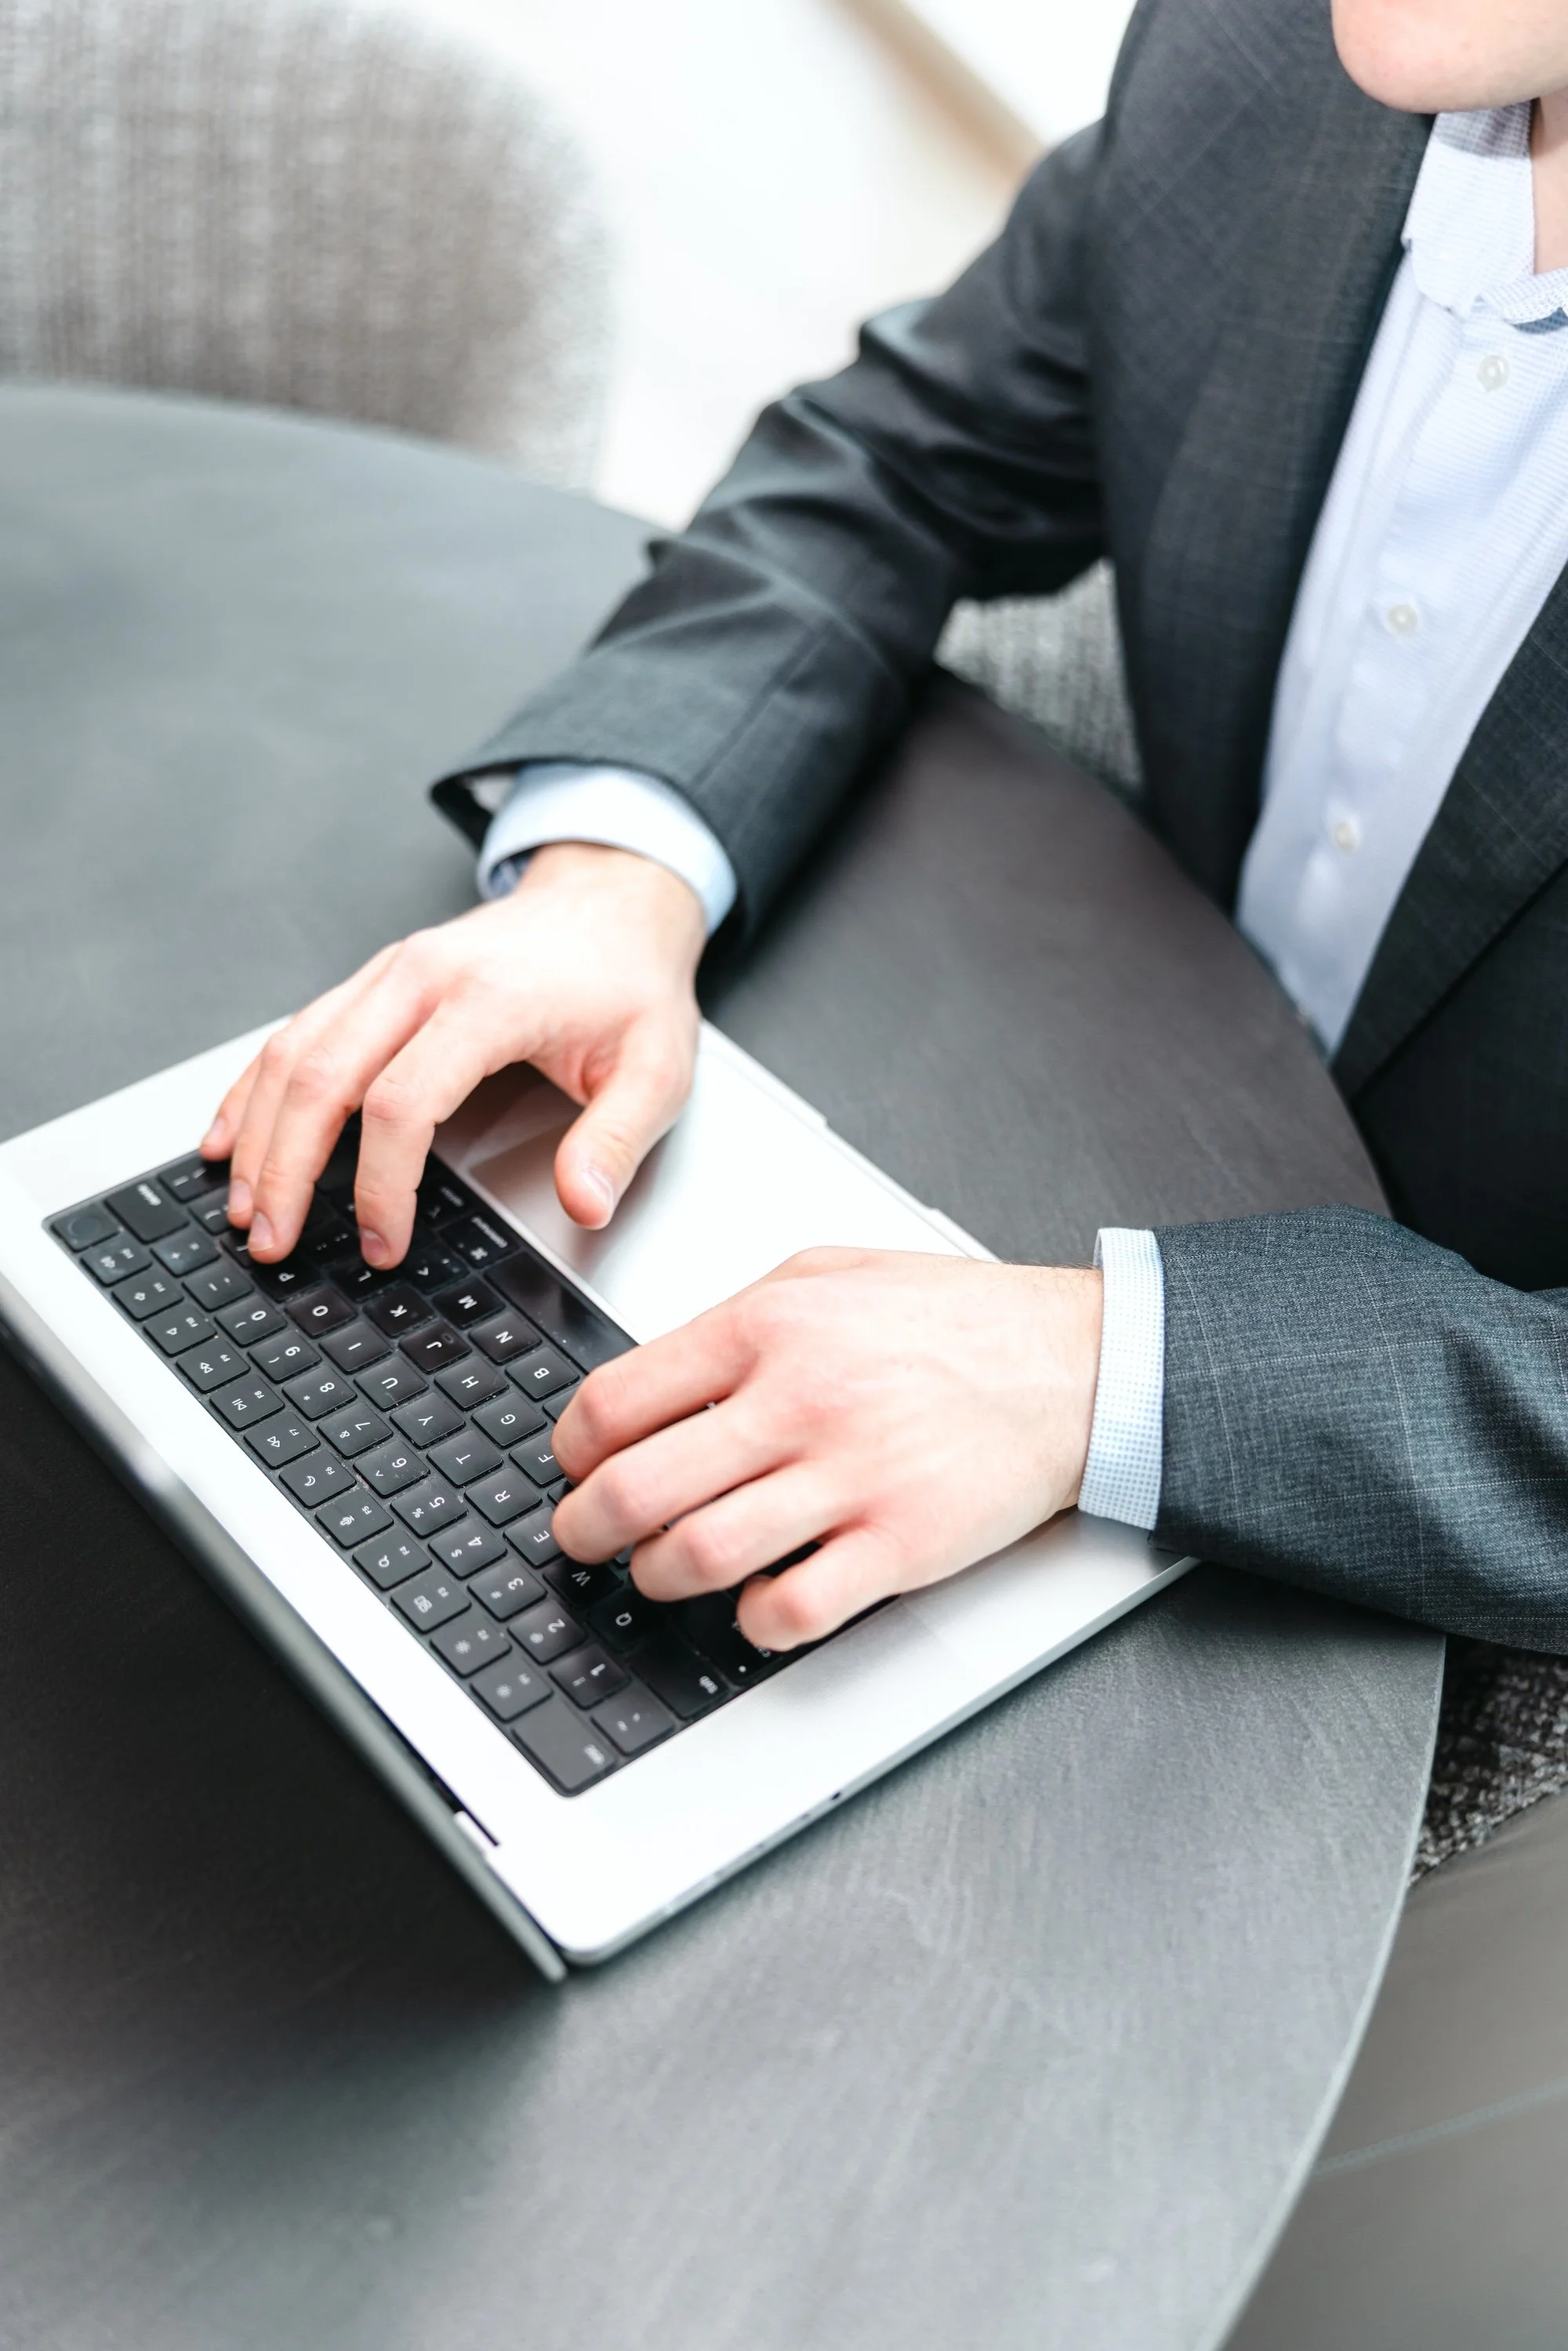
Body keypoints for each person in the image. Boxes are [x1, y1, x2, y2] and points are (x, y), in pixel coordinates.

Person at [200, 0, 1568, 1657]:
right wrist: (617, 864)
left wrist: (1111, 1375)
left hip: (1405, 1563)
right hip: (1114, 1107)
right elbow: (902, 457)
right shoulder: (1268, 49)